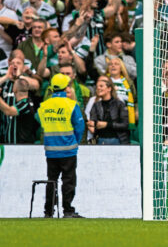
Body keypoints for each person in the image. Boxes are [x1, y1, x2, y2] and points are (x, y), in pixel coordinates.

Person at [37, 73, 85, 218]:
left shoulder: (44, 106)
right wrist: (74, 141)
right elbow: (80, 126)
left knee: (51, 180)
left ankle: (49, 211)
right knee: (68, 180)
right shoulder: (71, 105)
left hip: (50, 150)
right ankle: (68, 210)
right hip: (68, 150)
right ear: (66, 87)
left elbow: (40, 122)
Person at [87, 76, 129, 145]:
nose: (98, 88)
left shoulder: (119, 104)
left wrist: (107, 125)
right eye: (97, 86)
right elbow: (93, 122)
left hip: (118, 139)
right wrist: (93, 124)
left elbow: (125, 125)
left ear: (109, 88)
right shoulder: (96, 105)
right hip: (100, 140)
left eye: (101, 86)